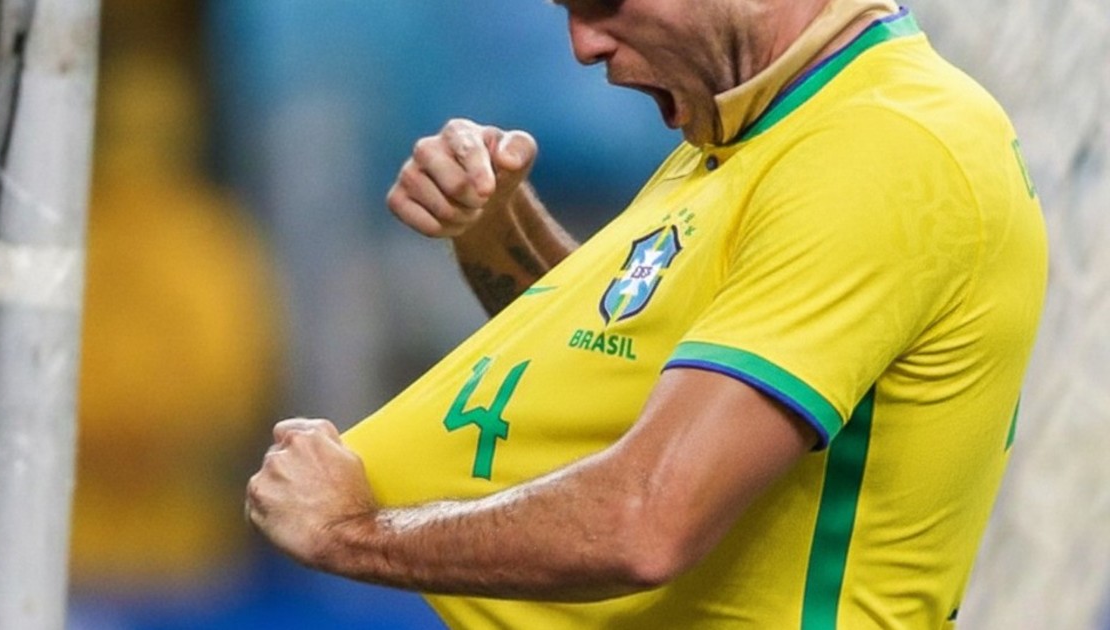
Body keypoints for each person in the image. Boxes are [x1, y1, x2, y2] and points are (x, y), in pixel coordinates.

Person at [245, 0, 1048, 626]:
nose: (582, 46)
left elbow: (646, 520)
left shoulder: (882, 148)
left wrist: (354, 531)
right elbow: (628, 363)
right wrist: (494, 226)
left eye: (603, 1)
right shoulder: (768, 125)